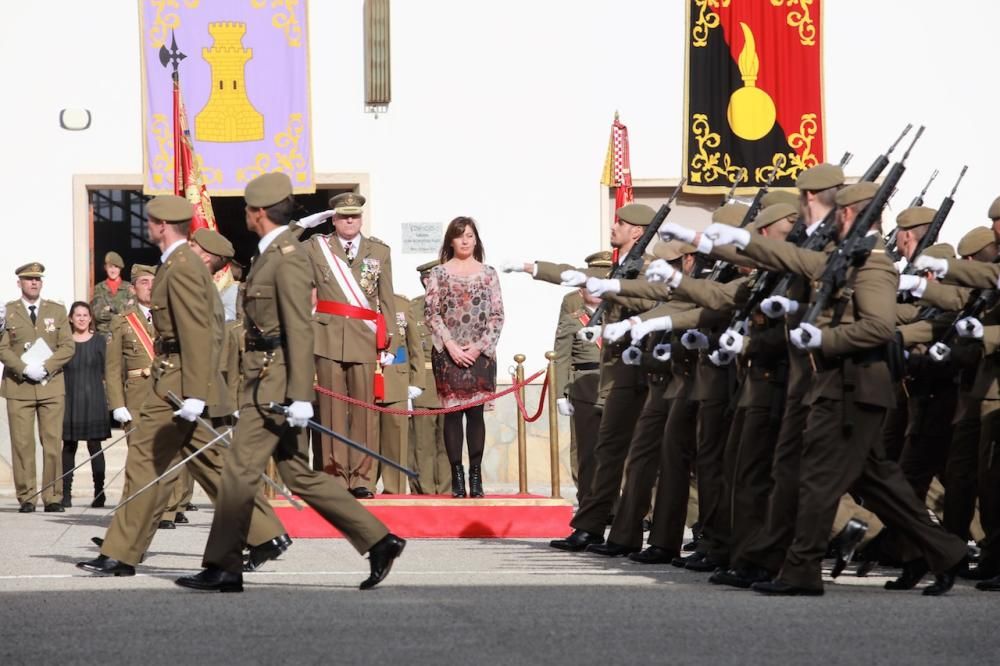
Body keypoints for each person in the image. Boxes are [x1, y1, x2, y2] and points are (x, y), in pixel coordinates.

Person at [176, 172, 404, 593]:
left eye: (246, 209)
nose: (244, 214)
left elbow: (300, 328)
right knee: (299, 475)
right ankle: (379, 540)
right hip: (265, 378)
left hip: (274, 384)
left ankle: (224, 566)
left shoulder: (287, 257)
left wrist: (301, 396)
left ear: (257, 212)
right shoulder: (275, 251)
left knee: (238, 473)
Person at [77, 194, 289, 578]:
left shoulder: (183, 265)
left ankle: (120, 554)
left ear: (160, 226)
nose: (147, 226)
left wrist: (195, 393)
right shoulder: (179, 263)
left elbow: (197, 332)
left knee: (144, 460)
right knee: (214, 465)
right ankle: (265, 533)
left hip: (179, 380)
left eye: (150, 221)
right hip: (180, 376)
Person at [305, 192, 397, 498]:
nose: (349, 221)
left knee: (364, 413)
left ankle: (361, 478)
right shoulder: (316, 248)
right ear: (332, 219)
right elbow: (281, 251)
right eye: (343, 216)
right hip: (328, 335)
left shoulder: (379, 251)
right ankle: (334, 477)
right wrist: (302, 223)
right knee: (331, 411)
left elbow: (386, 298)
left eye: (354, 216)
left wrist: (389, 340)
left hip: (364, 337)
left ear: (361, 218)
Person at [425, 217, 505, 498]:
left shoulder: (488, 274)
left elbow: (497, 316)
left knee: (475, 414)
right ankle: (457, 476)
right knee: (452, 415)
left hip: (480, 353)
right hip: (448, 354)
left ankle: (476, 475)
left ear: (476, 240)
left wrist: (477, 347)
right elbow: (432, 314)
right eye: (460, 236)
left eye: (470, 235)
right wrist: (451, 346)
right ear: (451, 240)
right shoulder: (438, 274)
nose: (465, 240)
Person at [0, 262, 75, 513]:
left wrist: (47, 366)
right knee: (22, 444)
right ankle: (27, 496)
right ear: (19, 283)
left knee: (53, 443)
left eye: (38, 279)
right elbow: (2, 348)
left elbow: (67, 345)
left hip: (50, 385)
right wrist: (23, 368)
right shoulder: (8, 312)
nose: (34, 283)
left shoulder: (56, 309)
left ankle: (53, 495)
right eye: (29, 279)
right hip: (18, 386)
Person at [60, 301, 112, 508]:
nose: (81, 318)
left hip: (94, 399)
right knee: (69, 447)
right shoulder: (64, 342)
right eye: (77, 315)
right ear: (71, 319)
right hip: (70, 399)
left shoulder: (99, 341)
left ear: (91, 318)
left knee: (95, 446)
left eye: (85, 315)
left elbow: (107, 370)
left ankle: (99, 492)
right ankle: (65, 494)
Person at [408, 260, 451, 494]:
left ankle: (445, 490)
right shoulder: (411, 308)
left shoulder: (457, 306)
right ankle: (424, 491)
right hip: (423, 381)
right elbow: (403, 346)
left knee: (448, 443)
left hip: (451, 383)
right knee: (422, 443)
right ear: (426, 281)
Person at [378, 293, 425, 494]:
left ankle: (394, 490)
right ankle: (363, 485)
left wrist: (418, 381)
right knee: (364, 436)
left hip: (396, 379)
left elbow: (415, 346)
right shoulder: (356, 298)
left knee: (396, 437)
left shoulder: (403, 305)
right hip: (363, 379)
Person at [91, 251, 134, 336]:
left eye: (116, 267)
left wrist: (110, 308)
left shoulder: (129, 288)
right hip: (104, 334)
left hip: (124, 333)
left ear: (120, 269)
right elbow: (98, 315)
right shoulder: (99, 288)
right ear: (105, 268)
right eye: (110, 267)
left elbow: (132, 313)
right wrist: (123, 309)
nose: (113, 270)